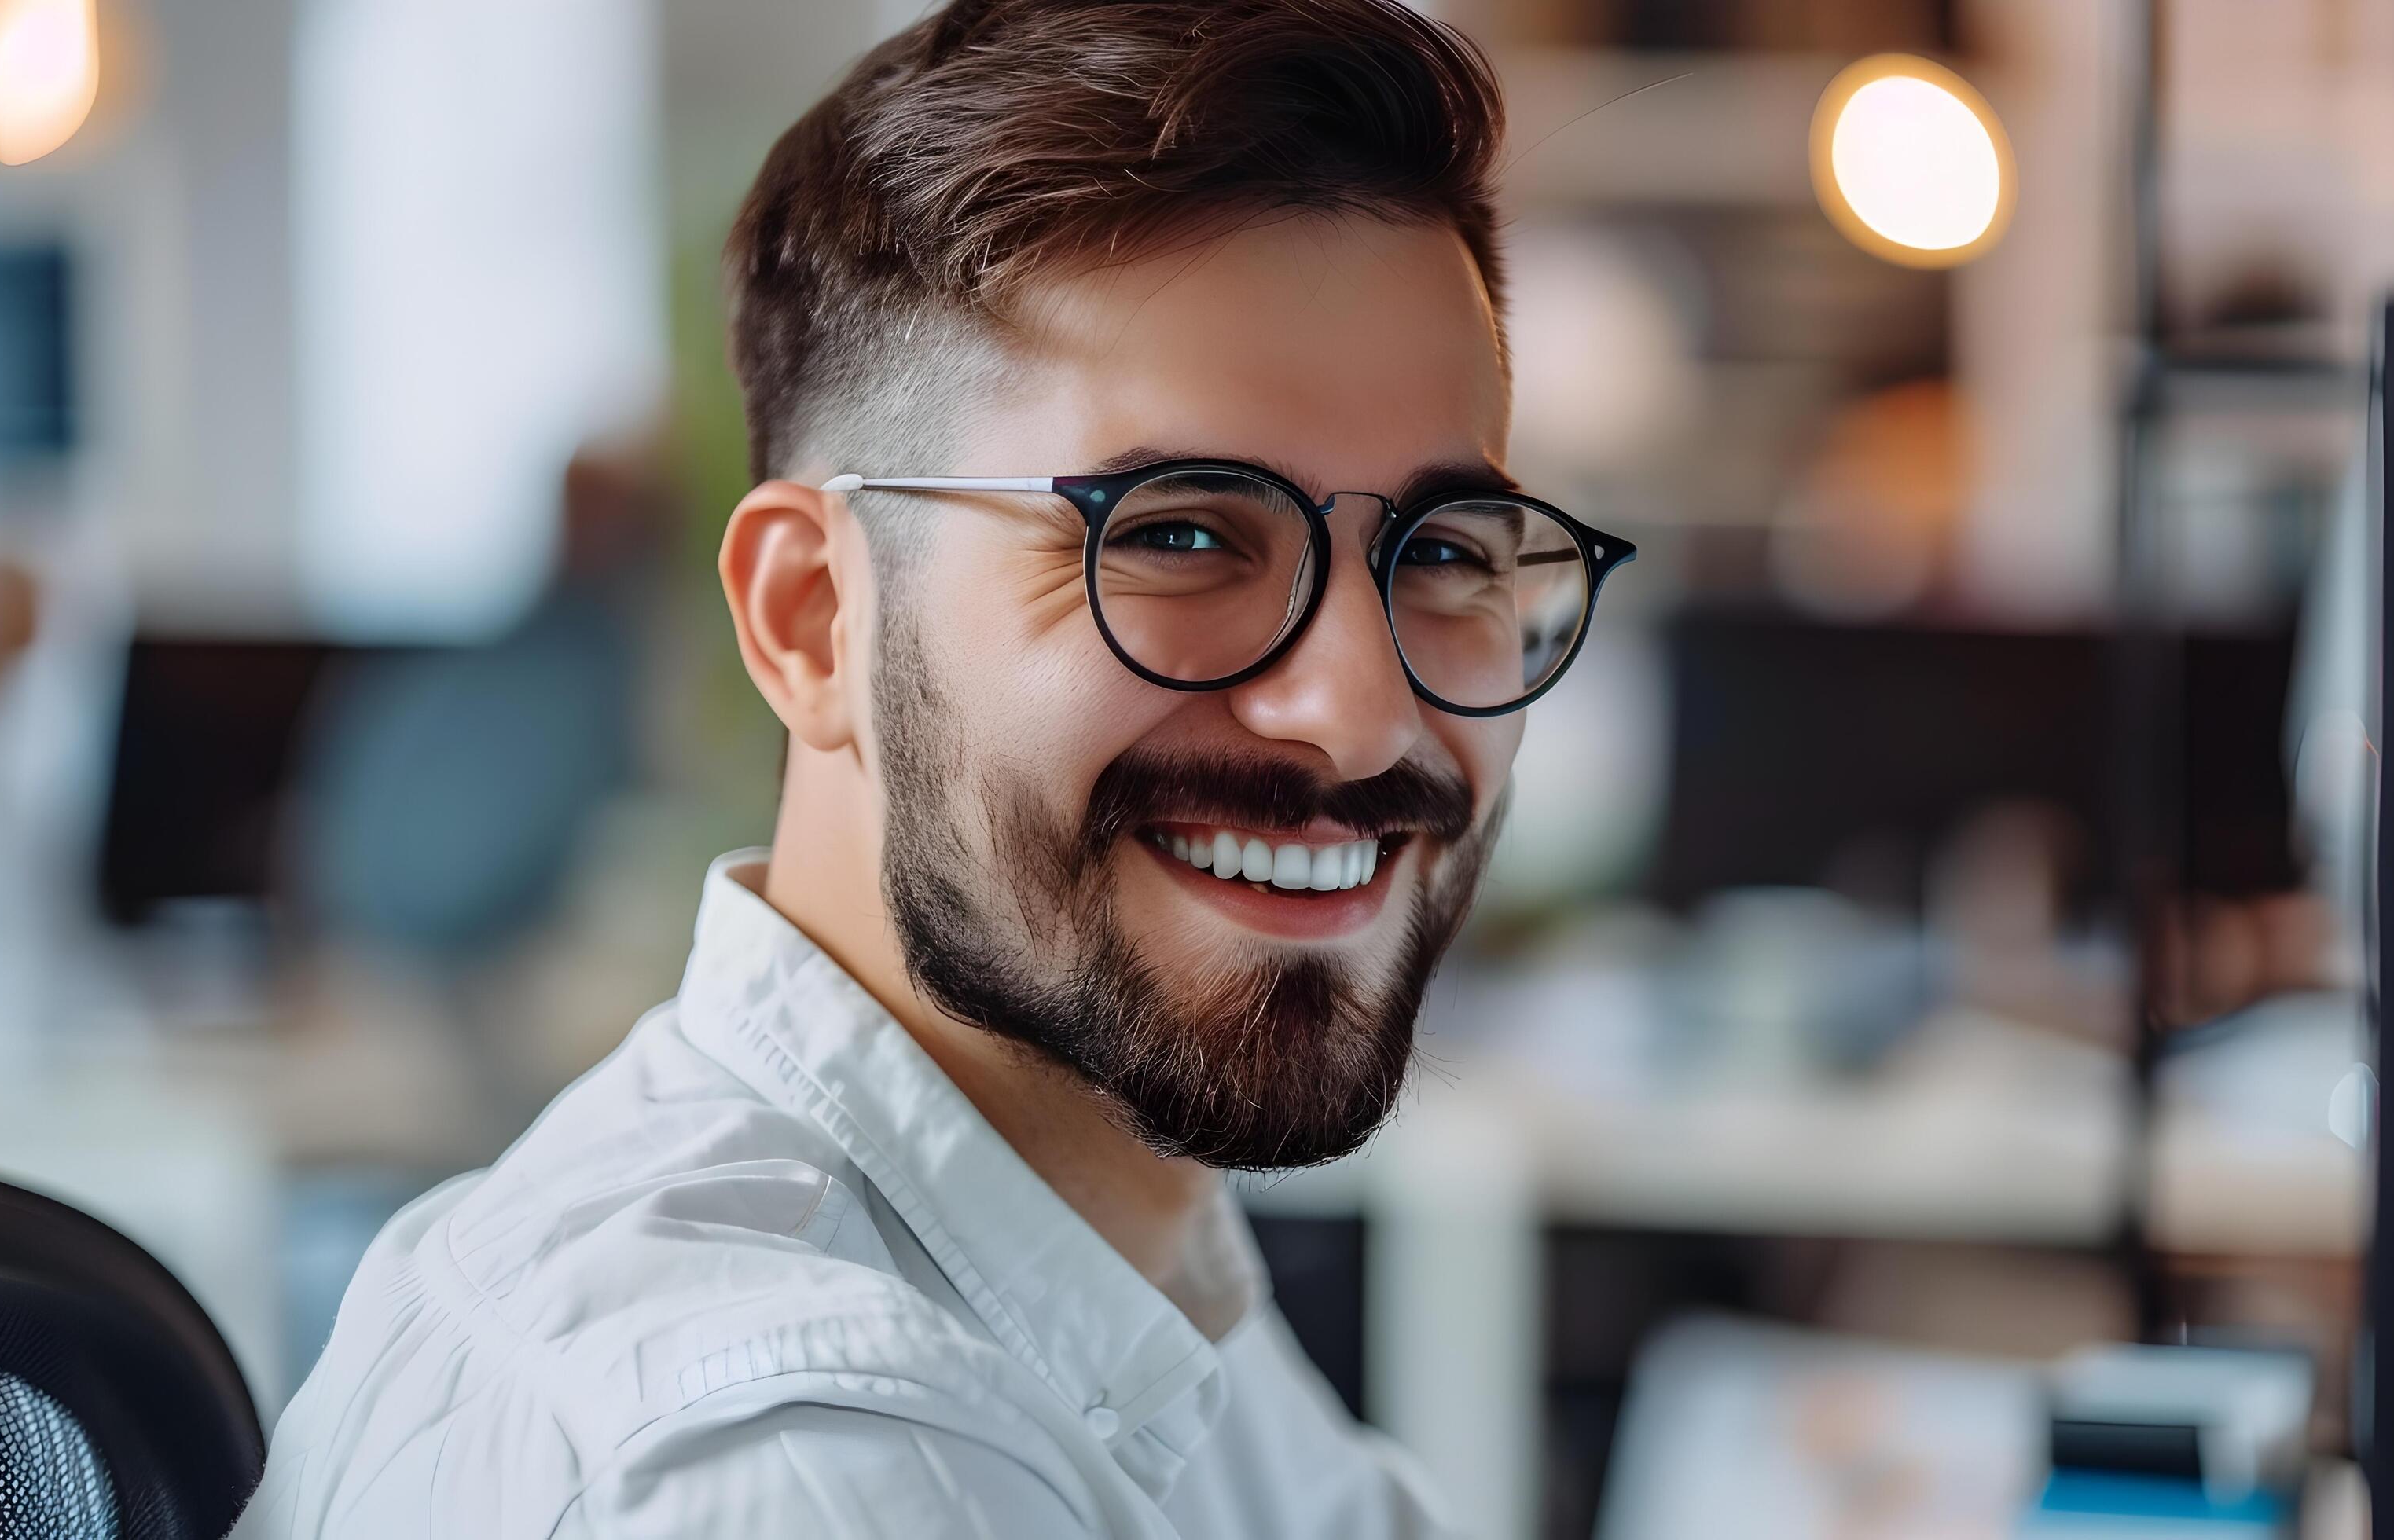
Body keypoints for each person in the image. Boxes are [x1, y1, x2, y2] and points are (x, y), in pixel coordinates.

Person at [234, 0, 1632, 1534]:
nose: (1360, 717)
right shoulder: (790, 1472)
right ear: (815, 618)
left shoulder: (1110, 1272)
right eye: (1175, 533)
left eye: (1443, 551)